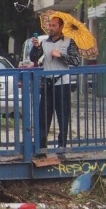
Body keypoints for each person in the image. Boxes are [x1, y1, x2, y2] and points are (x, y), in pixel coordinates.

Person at [36, 14, 74, 154]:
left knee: (63, 116)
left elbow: (75, 61)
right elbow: (34, 57)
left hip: (62, 84)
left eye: (53, 26)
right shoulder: (44, 42)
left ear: (61, 27)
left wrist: (61, 55)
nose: (50, 28)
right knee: (43, 116)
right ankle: (42, 146)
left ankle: (62, 145)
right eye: (49, 25)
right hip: (47, 83)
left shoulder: (69, 42)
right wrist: (35, 48)